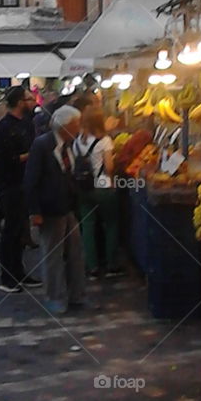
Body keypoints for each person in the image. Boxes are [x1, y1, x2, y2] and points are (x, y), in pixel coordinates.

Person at [25, 105, 86, 315]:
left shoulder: (70, 145)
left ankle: (76, 294)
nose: (79, 128)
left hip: (68, 206)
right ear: (66, 125)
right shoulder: (42, 145)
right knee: (52, 254)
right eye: (76, 124)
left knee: (75, 251)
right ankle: (54, 296)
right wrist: (35, 211)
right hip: (50, 208)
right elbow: (31, 179)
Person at [0, 85, 40, 293]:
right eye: (29, 99)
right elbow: (5, 159)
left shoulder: (27, 124)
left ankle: (19, 272)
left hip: (26, 183)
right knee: (10, 231)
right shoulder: (5, 127)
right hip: (11, 184)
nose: (33, 102)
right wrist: (32, 155)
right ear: (20, 102)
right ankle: (7, 277)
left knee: (21, 231)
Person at [74, 106, 124, 277]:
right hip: (103, 186)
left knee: (88, 226)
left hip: (83, 188)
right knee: (110, 224)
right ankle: (111, 264)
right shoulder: (105, 141)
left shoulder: (77, 141)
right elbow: (109, 167)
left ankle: (92, 266)